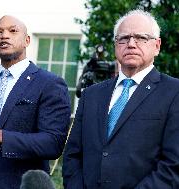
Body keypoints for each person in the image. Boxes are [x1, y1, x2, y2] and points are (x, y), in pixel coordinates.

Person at [63, 9, 179, 189]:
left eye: (141, 38)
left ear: (157, 46)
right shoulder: (91, 95)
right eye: (123, 38)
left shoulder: (174, 92)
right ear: (115, 45)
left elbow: (173, 165)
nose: (131, 44)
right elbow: (73, 156)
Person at [0, 15, 71, 189]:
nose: (4, 35)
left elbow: (53, 143)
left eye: (12, 31)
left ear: (27, 40)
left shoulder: (49, 84)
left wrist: (2, 136)